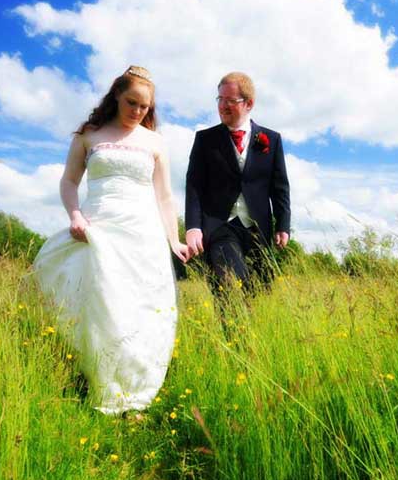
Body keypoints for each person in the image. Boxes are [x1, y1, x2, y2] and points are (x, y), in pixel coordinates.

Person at [32, 66, 189, 415]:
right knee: (103, 304)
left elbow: (164, 197)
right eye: (131, 102)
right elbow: (69, 182)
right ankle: (96, 377)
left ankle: (135, 386)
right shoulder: (89, 135)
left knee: (141, 308)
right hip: (99, 228)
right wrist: (75, 214)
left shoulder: (155, 143)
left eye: (144, 107)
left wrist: (173, 240)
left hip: (143, 234)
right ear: (116, 95)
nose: (137, 111)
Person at [184, 71, 291, 292]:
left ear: (249, 103)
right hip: (219, 225)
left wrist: (282, 225)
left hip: (257, 229)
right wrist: (193, 226)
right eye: (220, 99)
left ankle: (236, 327)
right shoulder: (205, 140)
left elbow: (279, 187)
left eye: (230, 101)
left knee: (256, 291)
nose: (222, 105)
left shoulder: (271, 139)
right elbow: (194, 186)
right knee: (232, 281)